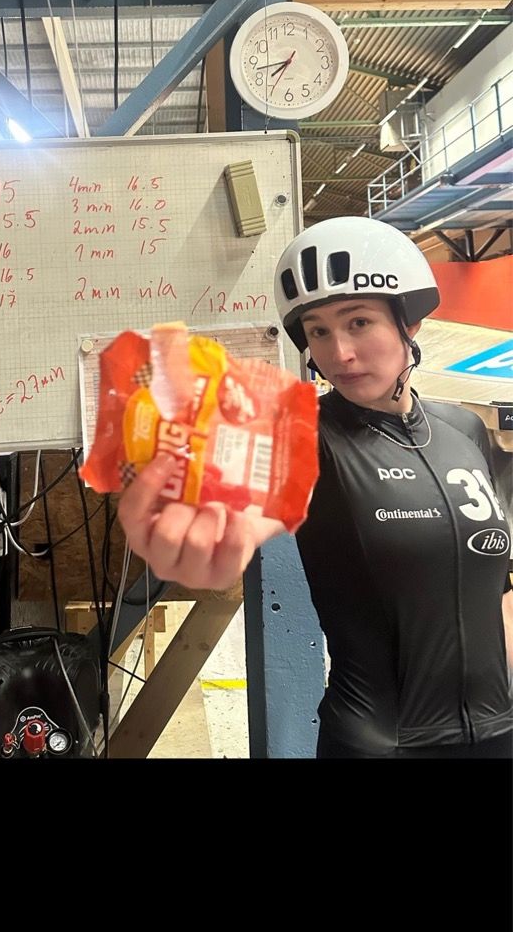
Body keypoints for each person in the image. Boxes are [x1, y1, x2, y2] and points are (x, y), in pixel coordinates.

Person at [117, 216, 513, 759]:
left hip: (499, 736)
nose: (339, 353)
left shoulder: (463, 429)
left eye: (359, 322)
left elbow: (495, 593)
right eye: (319, 331)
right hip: (379, 745)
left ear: (409, 323)